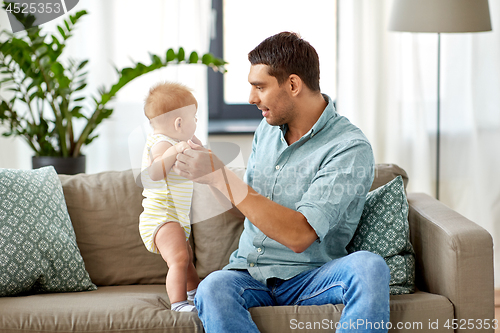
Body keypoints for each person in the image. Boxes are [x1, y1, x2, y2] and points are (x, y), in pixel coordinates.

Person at [173, 32, 390, 332]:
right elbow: (253, 206)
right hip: (248, 274)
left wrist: (219, 175)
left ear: (293, 84)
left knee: (369, 266)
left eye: (259, 86)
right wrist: (208, 174)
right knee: (213, 288)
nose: (251, 98)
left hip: (312, 275)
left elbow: (300, 236)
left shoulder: (348, 147)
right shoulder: (267, 128)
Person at [139, 82, 201, 312]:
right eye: (194, 117)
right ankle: (178, 303)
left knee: (187, 259)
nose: (196, 123)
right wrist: (173, 152)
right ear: (179, 123)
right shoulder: (162, 143)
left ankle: (195, 293)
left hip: (174, 217)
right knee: (178, 259)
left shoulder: (176, 141)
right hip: (162, 217)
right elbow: (155, 172)